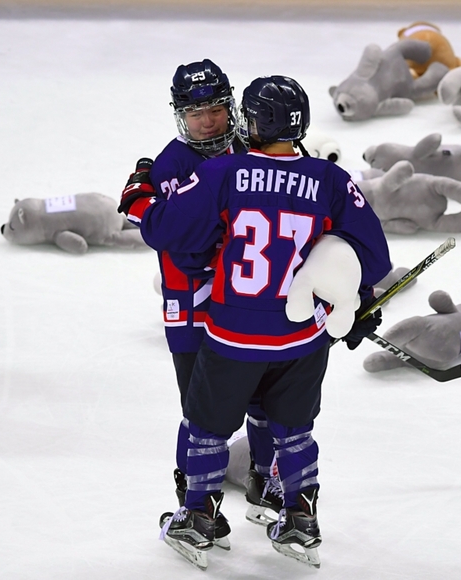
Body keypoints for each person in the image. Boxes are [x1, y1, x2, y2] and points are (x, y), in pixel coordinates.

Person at [119, 75, 391, 569]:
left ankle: (198, 518)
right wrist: (351, 297)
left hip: (232, 334)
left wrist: (142, 198)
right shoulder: (331, 180)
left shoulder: (226, 171)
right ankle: (299, 519)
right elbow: (372, 260)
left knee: (205, 425)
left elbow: (173, 232)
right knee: (294, 428)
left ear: (248, 121)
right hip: (301, 336)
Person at [123, 59, 282, 544]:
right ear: (180, 116)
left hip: (245, 303)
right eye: (196, 114)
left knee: (263, 395)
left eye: (215, 109)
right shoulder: (170, 164)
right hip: (191, 306)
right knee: (200, 408)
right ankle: (192, 498)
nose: (208, 122)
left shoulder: (250, 148)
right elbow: (169, 236)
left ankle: (263, 477)